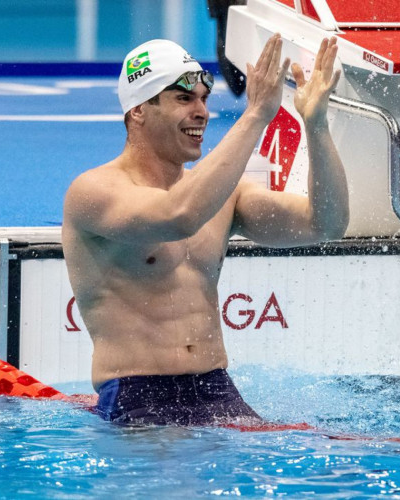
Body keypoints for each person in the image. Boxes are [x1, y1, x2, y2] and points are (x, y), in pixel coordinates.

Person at [62, 34, 349, 426]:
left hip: (218, 389)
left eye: (203, 99)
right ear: (140, 110)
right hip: (137, 396)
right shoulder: (93, 192)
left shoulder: (221, 197)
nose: (202, 112)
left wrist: (316, 125)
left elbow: (325, 224)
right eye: (184, 99)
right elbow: (180, 215)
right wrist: (254, 116)